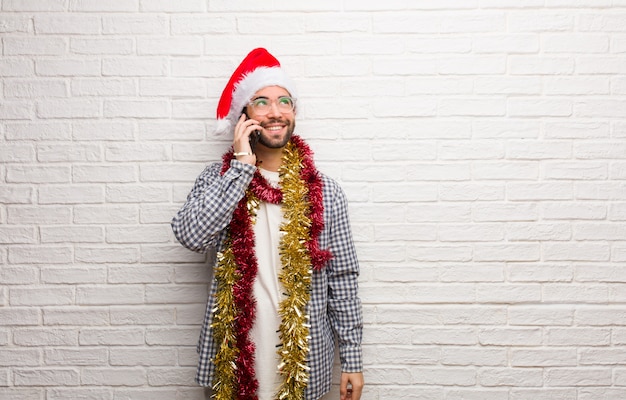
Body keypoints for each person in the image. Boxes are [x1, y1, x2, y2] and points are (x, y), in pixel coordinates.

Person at [171, 48, 364, 400]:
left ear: (294, 112)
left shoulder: (326, 192)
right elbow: (191, 235)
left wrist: (352, 359)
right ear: (243, 116)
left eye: (284, 101)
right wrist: (242, 168)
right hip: (232, 361)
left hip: (303, 361)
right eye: (261, 101)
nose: (275, 112)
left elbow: (343, 278)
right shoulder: (219, 179)